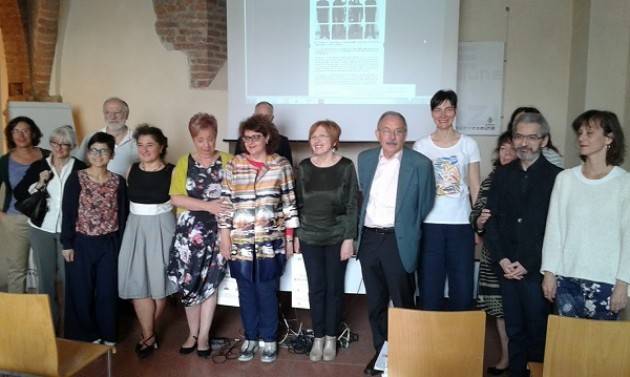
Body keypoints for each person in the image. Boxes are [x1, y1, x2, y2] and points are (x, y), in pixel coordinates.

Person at [484, 112, 562, 377]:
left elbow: (556, 229)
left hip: (537, 272)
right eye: (519, 136)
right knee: (514, 331)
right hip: (507, 269)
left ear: (544, 140)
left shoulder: (558, 178)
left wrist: (527, 264)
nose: (524, 143)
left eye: (532, 137)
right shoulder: (502, 175)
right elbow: (491, 221)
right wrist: (503, 259)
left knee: (538, 332)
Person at [358, 111, 435, 375]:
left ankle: (405, 356)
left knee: (403, 304)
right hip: (369, 238)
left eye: (399, 130)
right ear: (377, 134)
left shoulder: (421, 164)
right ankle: (381, 356)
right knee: (376, 304)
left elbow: (425, 204)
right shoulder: (365, 159)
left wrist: (405, 227)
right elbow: (362, 196)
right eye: (387, 130)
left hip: (397, 240)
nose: (392, 136)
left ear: (406, 134)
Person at [218, 114, 299, 364]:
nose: (250, 142)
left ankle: (269, 339)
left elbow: (289, 204)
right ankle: (251, 338)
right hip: (240, 241)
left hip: (270, 241)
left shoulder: (281, 165)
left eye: (256, 137)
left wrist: (289, 239)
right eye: (246, 138)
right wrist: (224, 237)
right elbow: (225, 204)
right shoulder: (234, 165)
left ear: (267, 138)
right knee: (245, 291)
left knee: (266, 291)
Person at [541, 110, 629, 320]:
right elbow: (554, 229)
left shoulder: (624, 183)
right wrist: (549, 273)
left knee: (601, 350)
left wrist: (623, 283)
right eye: (580, 133)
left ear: (609, 138)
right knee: (566, 347)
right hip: (567, 278)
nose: (581, 138)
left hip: (607, 282)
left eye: (589, 133)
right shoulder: (565, 179)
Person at [167, 113, 232, 358]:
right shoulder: (184, 162)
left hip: (218, 234)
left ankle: (204, 335)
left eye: (211, 139)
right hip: (188, 236)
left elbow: (234, 197)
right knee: (189, 284)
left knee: (209, 285)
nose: (206, 144)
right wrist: (209, 206)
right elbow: (175, 197)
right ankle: (191, 333)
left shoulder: (228, 160)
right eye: (201, 140)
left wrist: (218, 211)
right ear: (193, 138)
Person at [294, 120, 358, 362]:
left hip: (336, 237)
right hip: (309, 236)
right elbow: (297, 204)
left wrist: (349, 238)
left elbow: (352, 204)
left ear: (334, 142)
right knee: (316, 288)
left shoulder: (346, 167)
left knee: (334, 289)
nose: (317, 141)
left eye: (322, 136)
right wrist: (297, 236)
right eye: (313, 136)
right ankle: (318, 336)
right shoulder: (304, 167)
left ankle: (331, 336)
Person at [413, 89, 481, 311]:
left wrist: (478, 226)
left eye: (448, 109)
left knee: (462, 288)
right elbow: (416, 189)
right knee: (429, 287)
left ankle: (459, 342)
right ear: (432, 113)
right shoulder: (421, 146)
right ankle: (430, 341)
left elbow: (475, 186)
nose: (443, 115)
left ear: (456, 111)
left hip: (461, 225)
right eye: (437, 109)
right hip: (430, 225)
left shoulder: (468, 144)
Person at [13, 125, 86, 331]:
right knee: (45, 281)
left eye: (64, 144)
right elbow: (19, 193)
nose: (59, 148)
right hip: (41, 228)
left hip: (69, 232)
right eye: (55, 143)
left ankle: (70, 328)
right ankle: (48, 328)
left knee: (68, 279)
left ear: (71, 146)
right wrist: (39, 182)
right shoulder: (39, 166)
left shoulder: (80, 168)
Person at [61, 132, 128, 344]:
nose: (98, 155)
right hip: (81, 242)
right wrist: (67, 243)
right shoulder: (77, 177)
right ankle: (88, 334)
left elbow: (124, 214)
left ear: (112, 154)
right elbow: (69, 211)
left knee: (108, 290)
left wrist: (122, 246)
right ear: (88, 153)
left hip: (109, 243)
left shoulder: (118, 181)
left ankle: (108, 334)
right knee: (81, 290)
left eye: (104, 150)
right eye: (94, 150)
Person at [118, 125, 177, 358]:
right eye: (140, 145)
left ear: (161, 146)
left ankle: (147, 334)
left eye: (150, 144)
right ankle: (149, 335)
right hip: (135, 229)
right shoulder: (130, 169)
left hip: (163, 227)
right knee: (137, 282)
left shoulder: (172, 171)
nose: (144, 149)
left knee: (159, 285)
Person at [469, 131, 516, 375]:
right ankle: (505, 358)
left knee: (520, 311)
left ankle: (526, 361)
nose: (507, 154)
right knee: (499, 311)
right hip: (492, 257)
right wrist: (479, 221)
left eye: (512, 149)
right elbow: (474, 214)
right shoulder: (490, 179)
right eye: (503, 149)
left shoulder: (527, 179)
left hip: (520, 258)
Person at [0, 116, 47, 293]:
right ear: (10, 135)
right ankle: (16, 317)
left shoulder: (47, 155)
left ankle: (44, 315)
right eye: (16, 131)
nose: (21, 135)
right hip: (15, 220)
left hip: (45, 220)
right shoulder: (4, 161)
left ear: (33, 133)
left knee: (46, 269)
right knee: (17, 270)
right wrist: (2, 215)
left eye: (25, 130)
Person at [76, 97, 138, 176]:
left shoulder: (138, 139)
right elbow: (79, 165)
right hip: (98, 186)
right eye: (107, 112)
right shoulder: (91, 137)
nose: (112, 117)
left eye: (117, 112)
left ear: (127, 115)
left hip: (129, 187)